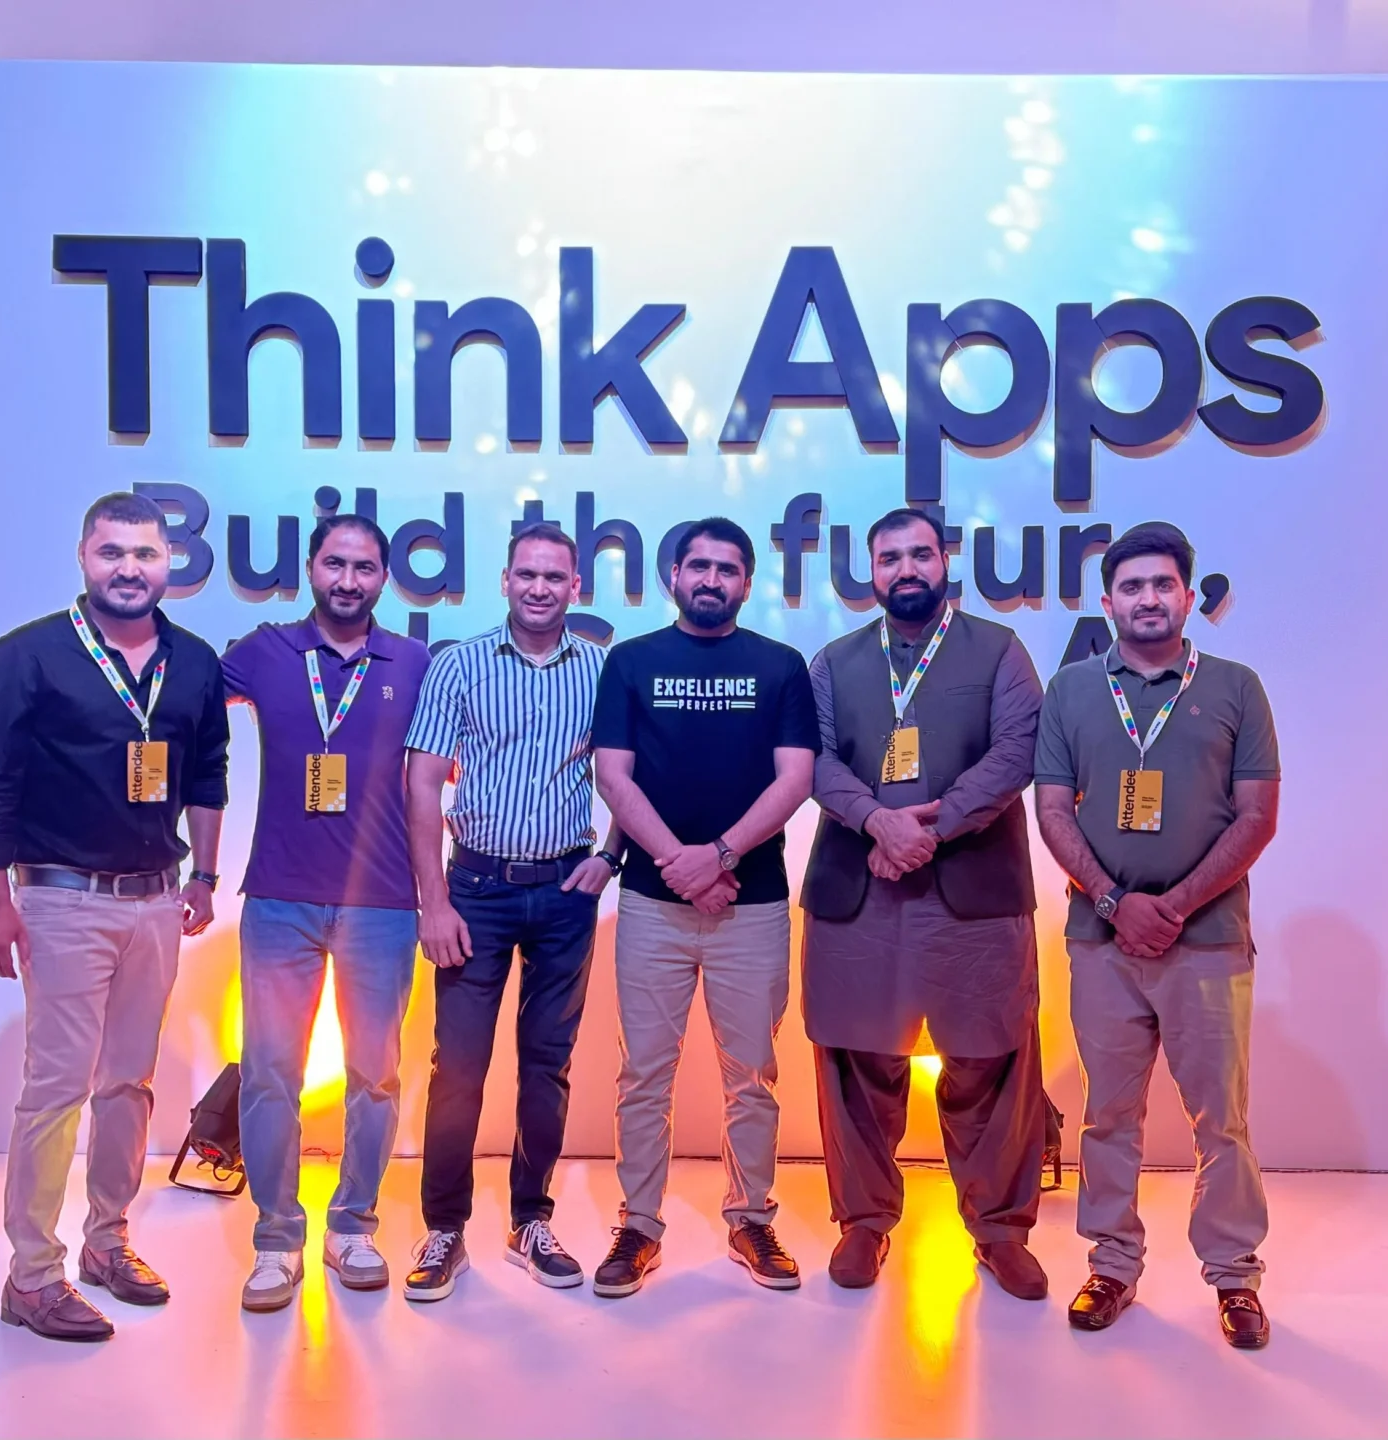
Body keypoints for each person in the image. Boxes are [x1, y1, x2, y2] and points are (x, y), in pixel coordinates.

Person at [0, 491, 230, 1342]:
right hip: (60, 900)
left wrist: (205, 876)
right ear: (84, 557)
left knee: (128, 1084)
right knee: (56, 1089)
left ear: (169, 563)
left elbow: (207, 777)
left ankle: (107, 1241)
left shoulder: (194, 663)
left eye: (145, 554)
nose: (129, 568)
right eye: (112, 552)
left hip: (156, 900)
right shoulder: (26, 656)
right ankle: (32, 1276)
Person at [1033, 520, 1281, 1349]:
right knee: (1109, 1116)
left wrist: (1172, 906)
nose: (1147, 598)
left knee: (1222, 1122)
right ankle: (1111, 1266)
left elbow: (1257, 816)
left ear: (1187, 596)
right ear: (1107, 603)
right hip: (1101, 944)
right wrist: (1114, 903)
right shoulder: (1071, 691)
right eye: (1131, 586)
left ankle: (1235, 1277)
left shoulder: (1236, 687)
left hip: (1208, 942)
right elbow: (1052, 811)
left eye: (1162, 584)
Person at [798, 507, 1050, 1299]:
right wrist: (878, 822)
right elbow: (813, 759)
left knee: (991, 1059)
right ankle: (863, 1222)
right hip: (860, 889)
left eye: (919, 555)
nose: (905, 569)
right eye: (889, 558)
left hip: (973, 893)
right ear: (870, 572)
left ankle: (1000, 1231)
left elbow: (1017, 751)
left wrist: (928, 831)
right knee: (857, 1061)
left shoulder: (999, 651)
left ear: (945, 561)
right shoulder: (834, 661)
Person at [587, 518, 818, 1298]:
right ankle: (638, 1226)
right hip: (653, 906)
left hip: (752, 904)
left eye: (727, 569)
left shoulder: (779, 666)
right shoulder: (632, 661)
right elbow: (614, 776)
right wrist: (680, 867)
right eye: (699, 566)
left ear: (747, 582)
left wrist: (717, 857)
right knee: (643, 1075)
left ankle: (751, 1218)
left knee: (751, 1075)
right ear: (674, 577)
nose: (712, 579)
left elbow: (795, 780)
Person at [218, 515, 433, 1313]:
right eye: (335, 564)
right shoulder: (264, 652)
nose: (348, 580)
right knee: (270, 1073)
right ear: (311, 567)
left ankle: (352, 1227)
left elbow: (454, 758)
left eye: (364, 567)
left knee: (375, 1076)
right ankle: (276, 1238)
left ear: (384, 578)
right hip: (279, 898)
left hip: (382, 901)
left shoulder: (414, 662)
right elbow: (176, 707)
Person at [400, 522, 617, 1302]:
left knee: (547, 1064)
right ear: (504, 580)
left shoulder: (601, 670)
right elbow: (422, 783)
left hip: (565, 893)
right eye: (527, 574)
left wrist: (612, 855)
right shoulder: (458, 664)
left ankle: (531, 1220)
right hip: (476, 892)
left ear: (575, 587)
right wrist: (433, 901)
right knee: (457, 1066)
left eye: (555, 577)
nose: (539, 588)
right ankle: (444, 1229)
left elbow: (631, 775)